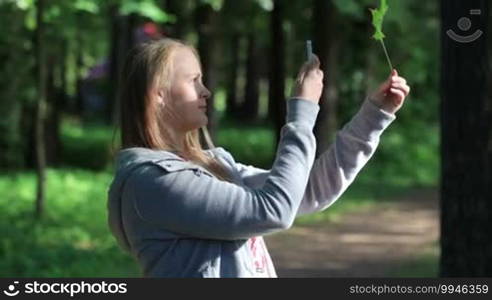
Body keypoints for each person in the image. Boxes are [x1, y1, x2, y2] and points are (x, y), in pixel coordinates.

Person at [107, 38, 410, 278]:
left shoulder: (215, 165)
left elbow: (307, 191)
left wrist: (374, 115)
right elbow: (272, 211)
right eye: (194, 81)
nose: (206, 91)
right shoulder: (153, 182)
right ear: (157, 94)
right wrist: (302, 113)